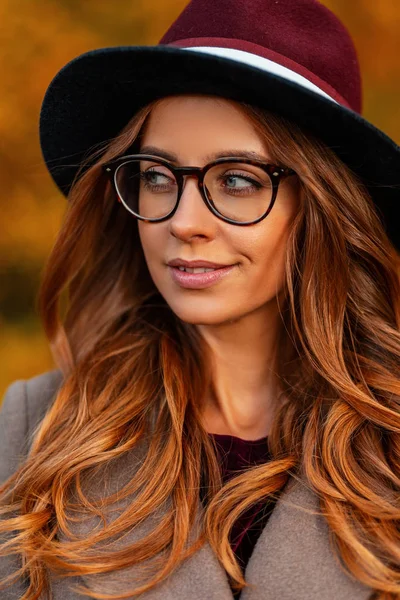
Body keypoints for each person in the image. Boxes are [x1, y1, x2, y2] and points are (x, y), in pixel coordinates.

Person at [1, 0, 400, 598]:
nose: (184, 222)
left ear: (321, 208)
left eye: (236, 180)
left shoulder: (388, 441)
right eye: (158, 176)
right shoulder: (35, 429)